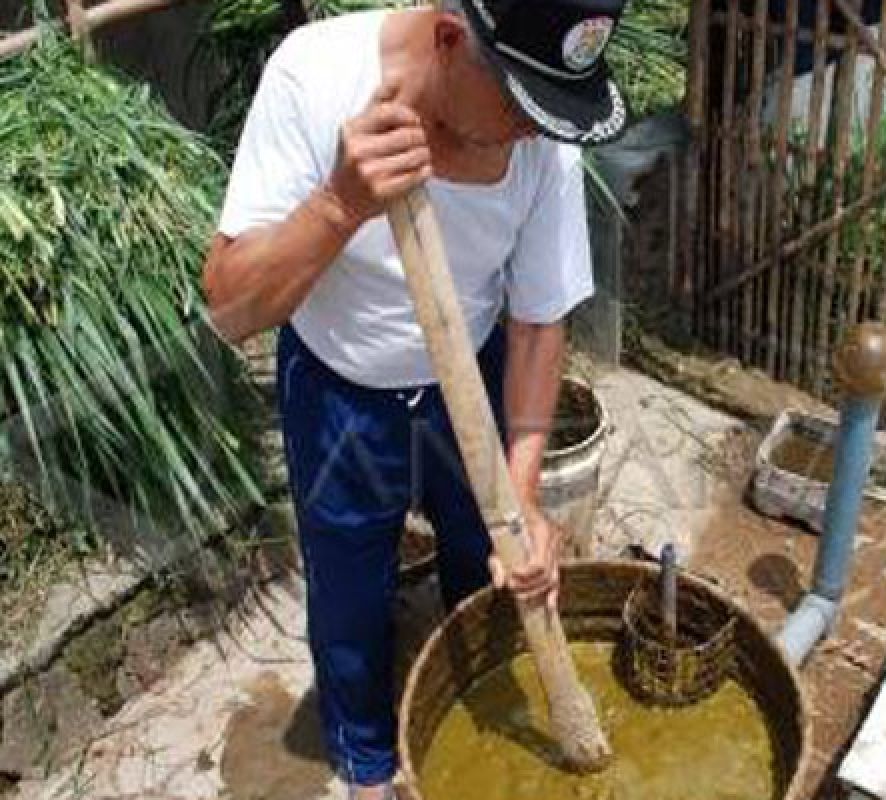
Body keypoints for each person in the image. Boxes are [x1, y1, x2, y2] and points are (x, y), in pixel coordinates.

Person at [200, 0, 628, 796]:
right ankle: (365, 764)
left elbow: (538, 325)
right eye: (518, 105)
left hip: (470, 371)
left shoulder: (542, 138)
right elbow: (229, 309)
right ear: (446, 38)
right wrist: (338, 204)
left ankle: (475, 717)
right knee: (350, 600)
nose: (536, 132)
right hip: (341, 389)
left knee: (492, 567)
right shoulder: (314, 75)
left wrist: (524, 499)